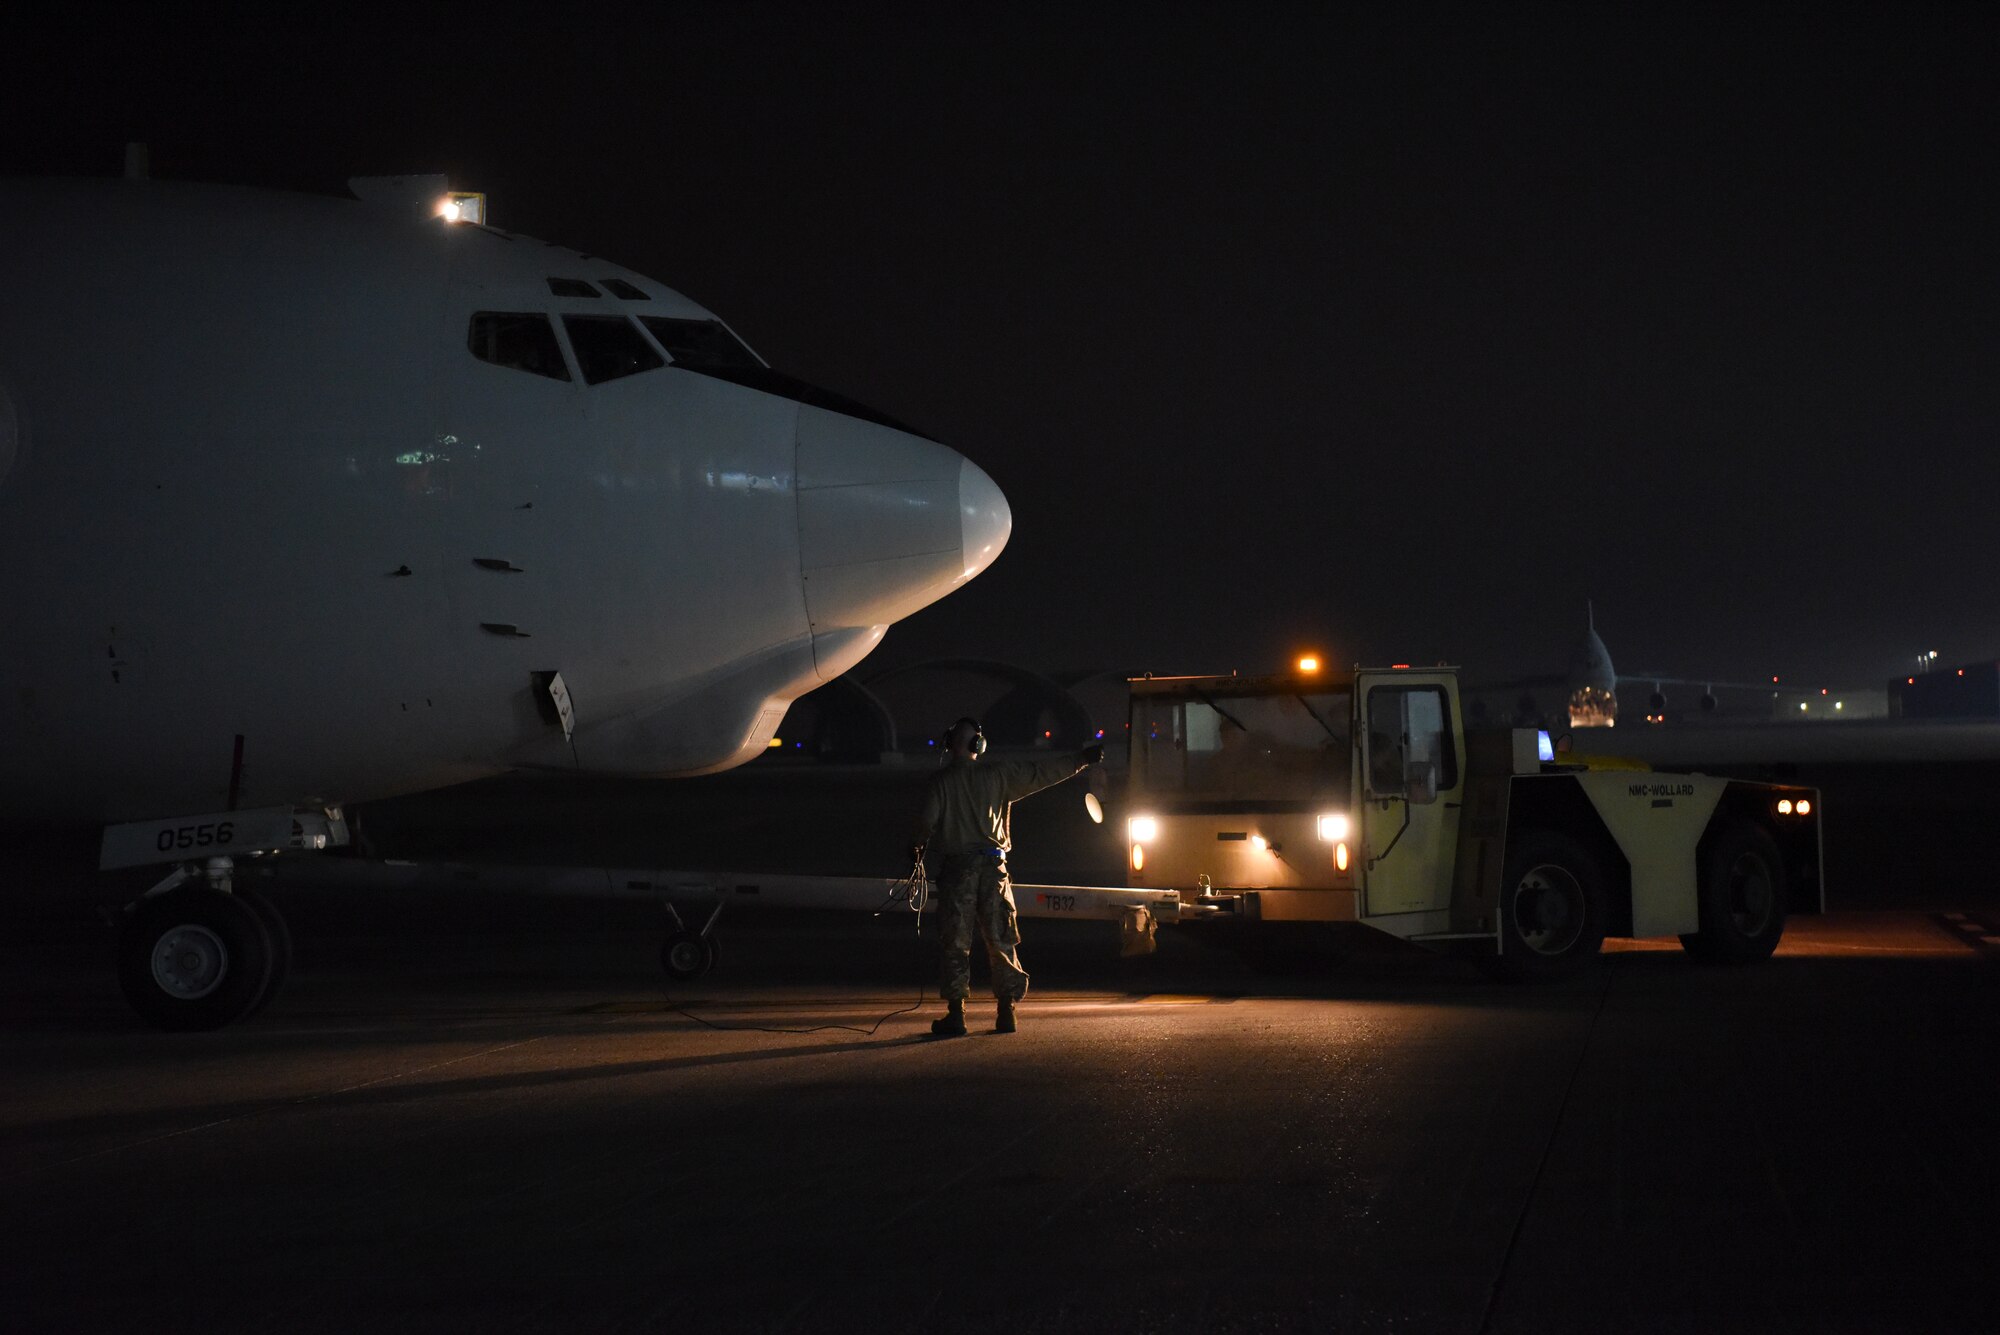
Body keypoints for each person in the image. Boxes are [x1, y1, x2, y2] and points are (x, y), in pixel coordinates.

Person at [911, 718, 1104, 1037]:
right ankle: (1006, 1012)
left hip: (958, 871)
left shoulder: (940, 782)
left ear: (950, 744)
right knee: (1001, 940)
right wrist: (1082, 760)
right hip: (994, 870)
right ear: (979, 746)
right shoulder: (998, 776)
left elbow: (924, 826)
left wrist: (914, 848)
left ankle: (956, 1016)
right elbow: (1042, 773)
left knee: (955, 943)